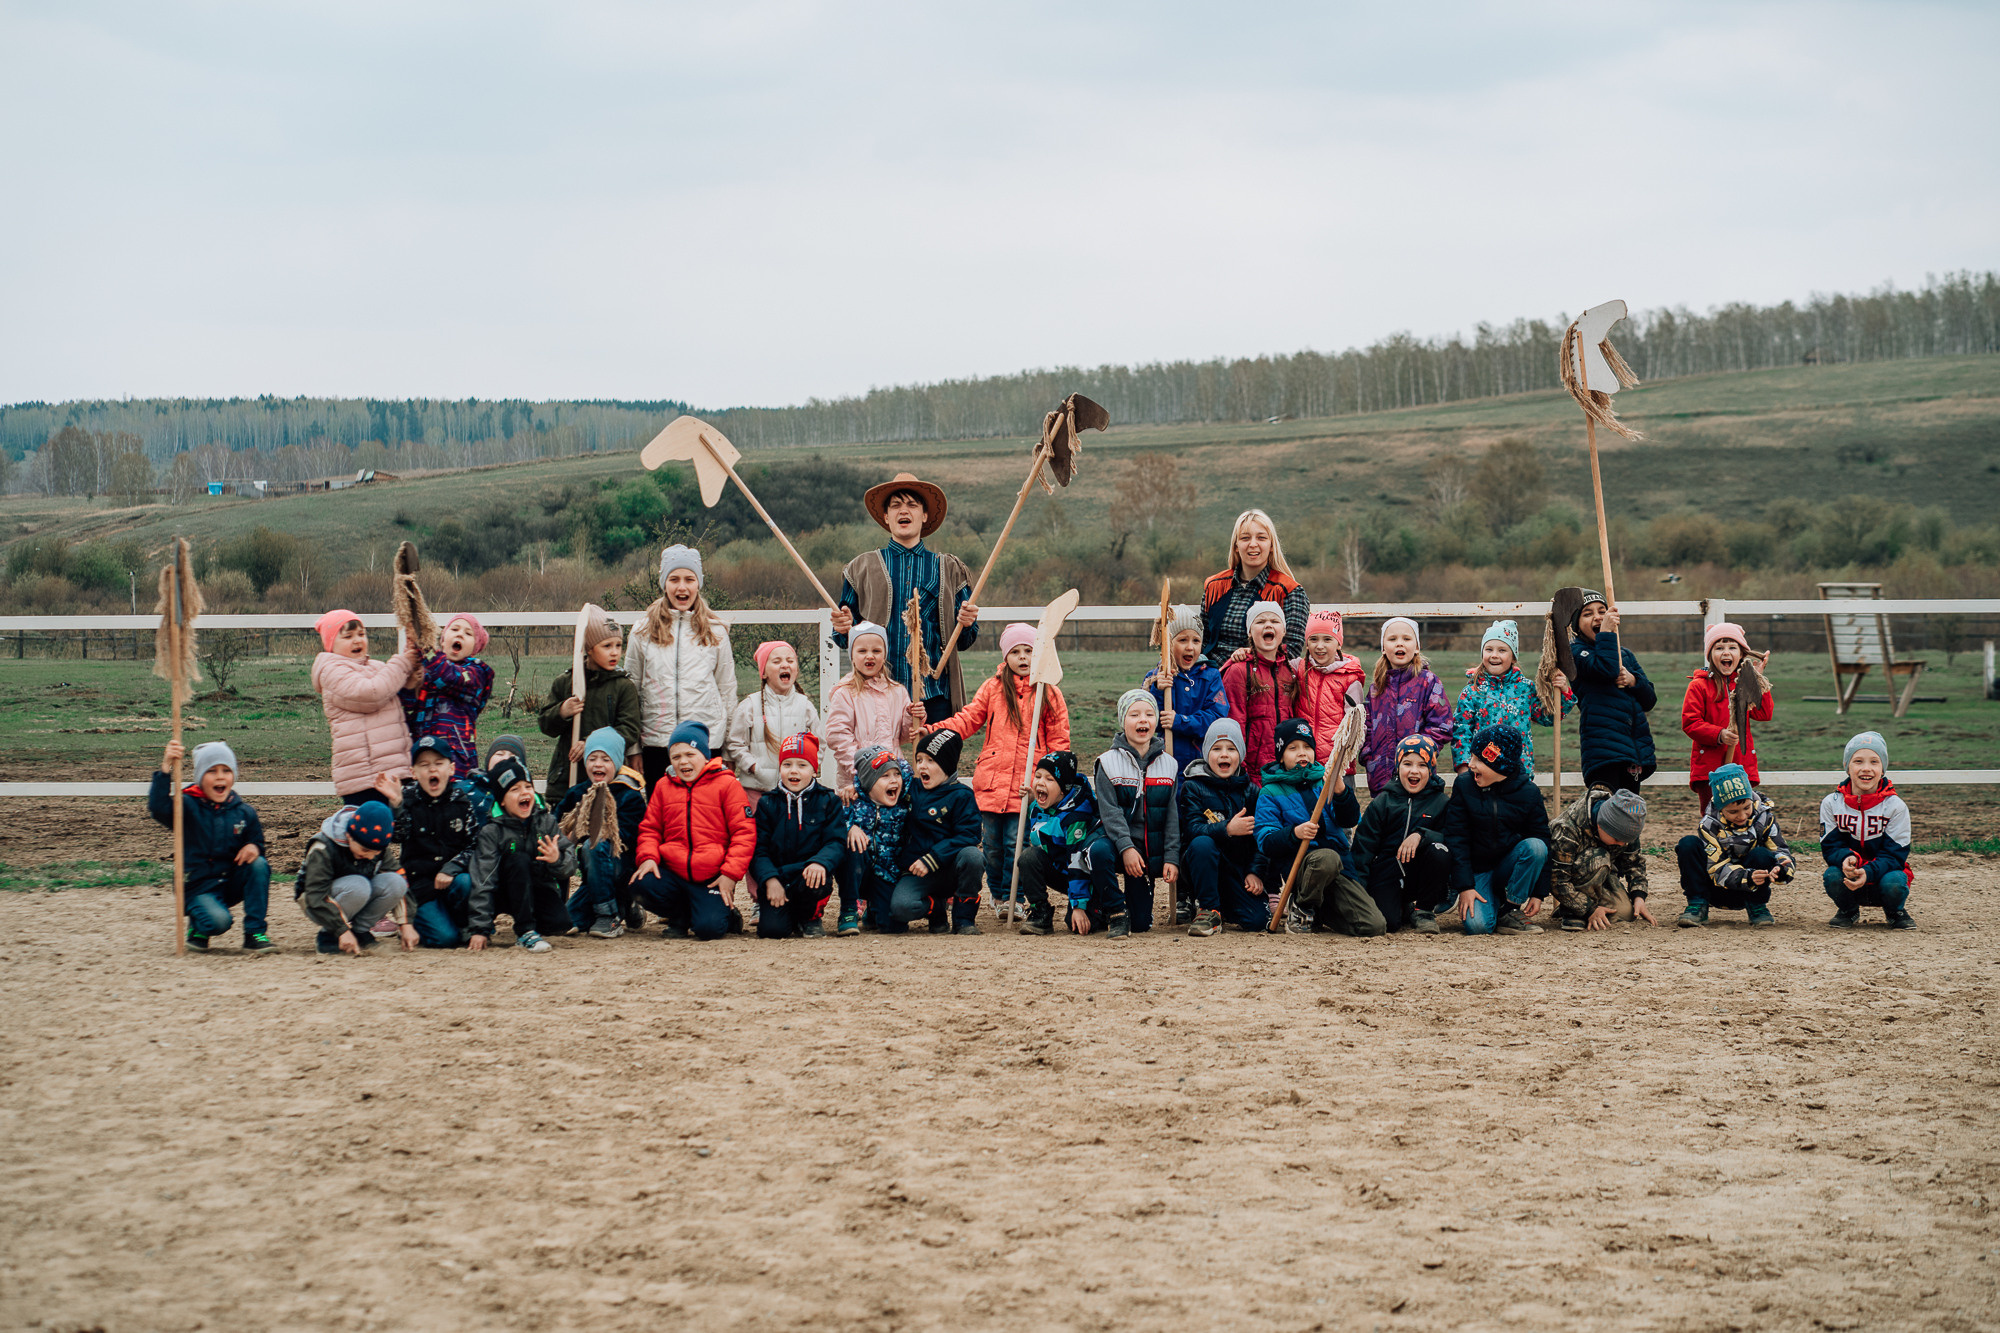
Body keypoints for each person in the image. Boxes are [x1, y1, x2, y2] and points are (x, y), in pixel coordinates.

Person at [932, 622, 1070, 915]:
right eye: (1016, 651)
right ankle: (997, 895)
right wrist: (934, 731)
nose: (1022, 657)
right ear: (1005, 655)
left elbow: (1059, 741)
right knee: (992, 846)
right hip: (992, 782)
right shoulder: (993, 687)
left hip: (1027, 784)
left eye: (1029, 651)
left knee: (1015, 844)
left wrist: (1050, 781)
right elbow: (967, 720)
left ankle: (1015, 899)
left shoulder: (1049, 692)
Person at [830, 472, 980, 722]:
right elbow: (845, 637)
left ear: (924, 515)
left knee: (932, 762)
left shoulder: (949, 568)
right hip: (877, 692)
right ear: (886, 517)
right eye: (896, 505)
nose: (904, 510)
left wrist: (967, 622)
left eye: (912, 504)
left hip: (935, 694)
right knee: (882, 761)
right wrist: (843, 627)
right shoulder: (860, 568)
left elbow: (964, 640)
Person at [627, 544, 737, 795]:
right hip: (657, 744)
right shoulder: (642, 631)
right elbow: (631, 691)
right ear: (664, 583)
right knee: (664, 818)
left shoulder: (716, 631)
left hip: (706, 743)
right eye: (674, 579)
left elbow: (727, 691)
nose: (682, 587)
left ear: (699, 583)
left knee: (706, 818)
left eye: (689, 579)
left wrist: (729, 748)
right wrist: (633, 748)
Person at [632, 721, 754, 941]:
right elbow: (650, 828)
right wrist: (648, 857)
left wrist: (729, 874)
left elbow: (743, 833)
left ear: (705, 756)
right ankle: (680, 916)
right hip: (673, 872)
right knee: (640, 884)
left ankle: (725, 913)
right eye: (676, 756)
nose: (683, 761)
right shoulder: (663, 786)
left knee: (709, 929)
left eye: (690, 754)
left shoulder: (727, 785)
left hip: (710, 876)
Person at [1254, 718, 1374, 936]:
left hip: (1339, 868)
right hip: (1302, 869)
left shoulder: (1325, 781)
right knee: (1326, 858)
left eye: (1307, 747)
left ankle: (1317, 911)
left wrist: (1340, 792)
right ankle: (1301, 905)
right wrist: (1294, 833)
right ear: (1281, 756)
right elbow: (1266, 841)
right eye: (1293, 748)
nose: (1302, 753)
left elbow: (1350, 819)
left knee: (1372, 925)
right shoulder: (1270, 792)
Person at [149, 739, 271, 953]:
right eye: (212, 771)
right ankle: (198, 927)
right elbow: (158, 808)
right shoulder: (186, 805)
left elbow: (257, 840)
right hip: (198, 886)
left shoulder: (244, 811)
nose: (220, 776)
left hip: (228, 882)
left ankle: (254, 933)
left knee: (259, 864)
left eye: (226, 770)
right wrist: (166, 765)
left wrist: (253, 846)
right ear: (200, 777)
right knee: (219, 922)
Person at [1440, 726, 1552, 936]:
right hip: (1477, 871)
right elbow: (1456, 838)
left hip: (1508, 867)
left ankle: (1509, 910)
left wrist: (1539, 893)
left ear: (1500, 764)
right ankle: (1487, 901)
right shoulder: (1464, 785)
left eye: (1479, 760)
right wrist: (1465, 886)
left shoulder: (1529, 793)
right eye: (1471, 757)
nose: (1470, 765)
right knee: (1479, 927)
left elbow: (1543, 839)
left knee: (1536, 847)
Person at [1090, 690, 1182, 937]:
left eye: (1149, 714)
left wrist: (1171, 857)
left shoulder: (1169, 765)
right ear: (1123, 720)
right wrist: (1126, 847)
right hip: (1115, 846)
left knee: (1141, 924)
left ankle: (1134, 907)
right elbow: (1109, 813)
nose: (1143, 720)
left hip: (1146, 854)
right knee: (1098, 851)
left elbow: (1172, 817)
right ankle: (1114, 909)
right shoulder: (1107, 763)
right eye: (1135, 714)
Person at [463, 754, 575, 954]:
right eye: (514, 789)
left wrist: (557, 859)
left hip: (536, 888)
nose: (524, 793)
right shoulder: (492, 831)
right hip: (502, 892)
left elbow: (570, 864)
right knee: (518, 858)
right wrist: (480, 927)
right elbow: (483, 878)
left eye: (528, 787)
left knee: (559, 924)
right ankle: (525, 931)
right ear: (502, 801)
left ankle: (530, 919)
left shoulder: (546, 821)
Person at [311, 608, 420, 804]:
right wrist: (403, 663)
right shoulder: (332, 672)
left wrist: (410, 681)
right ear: (331, 644)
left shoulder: (377, 667)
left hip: (392, 768)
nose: (357, 640)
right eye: (348, 636)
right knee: (371, 831)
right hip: (364, 777)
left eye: (361, 634)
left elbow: (392, 695)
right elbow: (372, 694)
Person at [1349, 735, 1453, 934]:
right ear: (1397, 766)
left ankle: (1424, 911)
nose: (1414, 770)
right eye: (1407, 764)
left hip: (1420, 873)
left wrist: (1422, 835)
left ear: (1431, 769)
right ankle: (1404, 908)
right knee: (1389, 924)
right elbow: (1363, 849)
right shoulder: (1383, 802)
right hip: (1387, 872)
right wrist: (1359, 893)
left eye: (1422, 765)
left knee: (1440, 850)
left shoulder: (1441, 802)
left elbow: (1452, 837)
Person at [539, 606, 643, 803]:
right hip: (567, 777)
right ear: (588, 648)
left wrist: (592, 744)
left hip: (608, 778)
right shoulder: (567, 682)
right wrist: (562, 711)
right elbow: (545, 724)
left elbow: (629, 729)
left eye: (618, 645)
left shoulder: (623, 686)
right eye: (607, 646)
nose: (615, 653)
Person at [553, 728, 649, 940]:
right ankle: (624, 907)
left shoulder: (628, 796)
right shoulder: (578, 793)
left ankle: (610, 915)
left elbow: (631, 837)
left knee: (594, 845)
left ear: (616, 762)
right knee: (565, 922)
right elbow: (555, 824)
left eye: (605, 759)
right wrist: (569, 830)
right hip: (593, 876)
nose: (598, 764)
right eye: (592, 758)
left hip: (620, 868)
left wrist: (597, 826)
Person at [749, 733, 846, 939]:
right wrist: (770, 880)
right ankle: (788, 916)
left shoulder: (828, 801)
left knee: (817, 880)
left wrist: (820, 862)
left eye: (802, 765)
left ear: (814, 769)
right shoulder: (767, 804)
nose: (794, 770)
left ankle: (810, 917)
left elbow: (835, 841)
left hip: (809, 874)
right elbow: (758, 849)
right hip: (779, 879)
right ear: (780, 768)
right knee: (772, 931)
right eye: (787, 764)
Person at [1176, 719, 1268, 936]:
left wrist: (1254, 872)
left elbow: (1261, 841)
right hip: (1202, 864)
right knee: (1202, 843)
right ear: (1207, 753)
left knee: (1257, 921)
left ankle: (1223, 906)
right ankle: (1209, 909)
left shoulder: (1252, 792)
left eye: (1231, 749)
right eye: (1216, 749)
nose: (1224, 755)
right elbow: (1191, 830)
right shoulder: (1193, 787)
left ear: (1241, 755)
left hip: (1235, 869)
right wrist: (1227, 829)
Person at [1676, 762, 1793, 928]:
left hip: (1752, 890)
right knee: (1688, 844)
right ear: (1720, 808)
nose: (1742, 816)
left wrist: (1781, 870)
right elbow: (1715, 867)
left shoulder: (1765, 818)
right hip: (1715, 889)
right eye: (1733, 812)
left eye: (1747, 808)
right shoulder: (1709, 825)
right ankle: (1697, 905)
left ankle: (1757, 907)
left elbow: (1781, 851)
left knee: (1762, 854)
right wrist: (1747, 876)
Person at [892, 728, 985, 934]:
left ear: (947, 764)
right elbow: (881, 784)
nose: (922, 766)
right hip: (917, 871)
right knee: (900, 908)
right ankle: (936, 909)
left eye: (931, 761)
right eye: (919, 759)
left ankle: (964, 919)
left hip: (950, 869)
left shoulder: (962, 796)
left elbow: (969, 835)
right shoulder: (911, 789)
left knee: (973, 857)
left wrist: (933, 858)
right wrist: (854, 789)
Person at [1564, 590, 1657, 793]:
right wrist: (1605, 633)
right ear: (1576, 624)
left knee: (1628, 812)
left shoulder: (1625, 655)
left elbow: (1649, 700)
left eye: (1602, 611)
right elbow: (1606, 669)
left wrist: (1634, 681)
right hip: (1602, 750)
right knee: (1604, 811)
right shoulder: (1577, 652)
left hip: (1632, 749)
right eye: (1587, 613)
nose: (1598, 617)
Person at [1452, 619, 1569, 780]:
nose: (1494, 655)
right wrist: (1464, 768)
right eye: (1489, 649)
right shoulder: (1472, 692)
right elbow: (1461, 731)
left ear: (1513, 657)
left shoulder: (1526, 689)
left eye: (1502, 650)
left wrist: (1563, 692)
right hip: (1482, 771)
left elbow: (1548, 718)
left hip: (1519, 769)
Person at [294, 799, 414, 956]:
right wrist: (341, 930)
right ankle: (329, 935)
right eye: (364, 850)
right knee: (359, 886)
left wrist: (406, 923)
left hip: (354, 891)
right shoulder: (323, 848)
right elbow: (315, 895)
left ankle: (360, 931)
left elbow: (399, 877)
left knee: (396, 882)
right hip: (314, 899)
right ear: (349, 836)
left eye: (376, 852)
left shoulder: (375, 845)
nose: (370, 856)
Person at [1820, 731, 1913, 929]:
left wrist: (1868, 872)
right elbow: (1830, 846)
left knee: (1895, 881)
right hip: (1850, 876)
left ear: (1883, 768)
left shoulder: (1896, 806)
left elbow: (1895, 856)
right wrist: (1845, 859)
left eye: (1874, 762)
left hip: (1883, 877)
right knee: (1832, 876)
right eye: (1858, 761)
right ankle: (1848, 910)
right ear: (1847, 767)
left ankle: (1895, 911)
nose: (1866, 768)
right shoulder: (1832, 803)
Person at [392, 734, 478, 949]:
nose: (432, 770)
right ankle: (420, 921)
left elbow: (475, 845)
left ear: (451, 769)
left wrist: (452, 868)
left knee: (466, 882)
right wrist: (396, 806)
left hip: (452, 880)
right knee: (445, 939)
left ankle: (463, 924)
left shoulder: (462, 801)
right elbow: (397, 836)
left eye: (439, 764)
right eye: (424, 765)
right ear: (413, 773)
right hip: (420, 885)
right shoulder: (407, 799)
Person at [1681, 621, 1774, 813]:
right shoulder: (1699, 686)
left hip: (1740, 765)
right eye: (1719, 647)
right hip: (1711, 768)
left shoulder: (1745, 682)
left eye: (1732, 647)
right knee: (1713, 815)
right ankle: (1712, 843)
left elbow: (1764, 714)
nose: (1726, 652)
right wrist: (1719, 734)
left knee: (1742, 816)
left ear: (1741, 654)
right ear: (1709, 655)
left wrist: (1756, 681)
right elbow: (1691, 722)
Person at [825, 621, 922, 802]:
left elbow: (904, 736)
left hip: (892, 777)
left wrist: (911, 716)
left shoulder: (897, 691)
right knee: (861, 825)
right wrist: (862, 770)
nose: (870, 656)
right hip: (857, 780)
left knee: (891, 824)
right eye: (862, 651)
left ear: (884, 654)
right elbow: (838, 737)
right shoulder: (845, 693)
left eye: (876, 651)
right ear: (852, 656)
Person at [1201, 508, 1309, 667]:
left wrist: (1249, 656)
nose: (1253, 544)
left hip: (1259, 679)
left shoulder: (1290, 591)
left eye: (1261, 538)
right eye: (1245, 538)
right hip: (1210, 679)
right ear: (1236, 545)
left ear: (1271, 545)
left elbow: (1291, 649)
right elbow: (1203, 640)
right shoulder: (1214, 585)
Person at [1013, 749, 1104, 935]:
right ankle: (1041, 913)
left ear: (1063, 788)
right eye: (1038, 776)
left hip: (1085, 874)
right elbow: (1043, 821)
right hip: (1060, 868)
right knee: (1029, 857)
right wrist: (1030, 800)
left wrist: (1078, 905)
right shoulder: (1044, 804)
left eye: (1049, 779)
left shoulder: (1077, 815)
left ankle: (1101, 907)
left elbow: (1077, 860)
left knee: (1079, 926)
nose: (1040, 782)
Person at [1358, 616, 1452, 796]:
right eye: (1392, 639)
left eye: (1406, 639)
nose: (1399, 643)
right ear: (1383, 648)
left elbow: (1441, 725)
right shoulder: (1377, 688)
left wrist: (1419, 754)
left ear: (1416, 647)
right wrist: (1368, 755)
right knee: (1385, 821)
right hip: (1381, 777)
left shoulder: (1428, 682)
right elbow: (1367, 726)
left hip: (1416, 776)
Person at [398, 614, 495, 780]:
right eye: (454, 629)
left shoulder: (477, 673)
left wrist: (424, 648)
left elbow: (448, 677)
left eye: (468, 633)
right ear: (442, 641)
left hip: (457, 762)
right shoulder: (426, 672)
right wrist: (409, 686)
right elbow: (407, 713)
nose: (459, 634)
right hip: (422, 757)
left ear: (475, 648)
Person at [726, 639, 821, 811]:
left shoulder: (805, 705)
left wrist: (808, 770)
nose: (785, 665)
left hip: (796, 792)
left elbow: (819, 742)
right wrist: (754, 767)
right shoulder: (750, 705)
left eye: (790, 661)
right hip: (757, 791)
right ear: (763, 673)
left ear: (796, 670)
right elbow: (735, 743)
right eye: (776, 661)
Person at [1547, 784, 1654, 932]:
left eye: (1626, 840)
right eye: (1617, 839)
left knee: (1625, 913)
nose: (1622, 844)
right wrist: (1590, 910)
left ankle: (1580, 906)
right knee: (1600, 858)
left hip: (1603, 874)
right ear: (1601, 825)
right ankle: (1572, 911)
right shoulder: (1567, 828)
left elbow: (1634, 863)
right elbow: (1556, 879)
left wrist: (1639, 896)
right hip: (1571, 878)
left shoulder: (1627, 823)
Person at [1220, 601, 1300, 780]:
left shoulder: (1292, 671)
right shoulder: (1238, 671)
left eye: (1275, 620)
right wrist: (1239, 764)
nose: (1268, 624)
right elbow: (1234, 721)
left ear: (1284, 631)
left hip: (1287, 768)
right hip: (1253, 771)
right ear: (1249, 631)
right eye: (1260, 621)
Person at [1143, 606, 1228, 771]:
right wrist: (1158, 691)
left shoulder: (1210, 676)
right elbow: (1149, 721)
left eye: (1196, 641)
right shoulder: (1155, 678)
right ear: (1168, 644)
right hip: (1167, 763)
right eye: (1182, 640)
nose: (1190, 647)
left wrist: (1181, 721)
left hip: (1202, 764)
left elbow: (1217, 717)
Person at [843, 745, 912, 934]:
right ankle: (848, 909)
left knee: (894, 927)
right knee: (853, 847)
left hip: (887, 873)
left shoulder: (904, 804)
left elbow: (908, 773)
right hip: (859, 871)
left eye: (896, 775)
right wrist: (850, 828)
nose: (894, 781)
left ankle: (874, 911)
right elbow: (833, 823)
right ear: (868, 783)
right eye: (885, 776)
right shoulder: (854, 803)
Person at [1292, 610, 1368, 767]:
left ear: (1339, 643)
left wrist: (1342, 758)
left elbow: (1356, 725)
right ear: (1306, 642)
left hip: (1337, 767)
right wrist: (1246, 651)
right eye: (1313, 639)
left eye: (1327, 639)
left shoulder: (1350, 679)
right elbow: (1272, 660)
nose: (1320, 646)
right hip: (1303, 764)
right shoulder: (1298, 668)